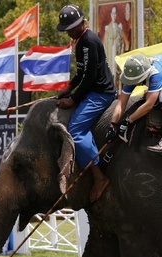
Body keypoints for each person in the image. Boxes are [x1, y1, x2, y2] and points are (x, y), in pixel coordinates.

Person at [56, 4, 117, 202]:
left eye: (73, 27)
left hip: (100, 93)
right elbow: (82, 72)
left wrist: (72, 99)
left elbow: (90, 77)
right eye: (68, 29)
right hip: (91, 90)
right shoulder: (80, 41)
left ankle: (99, 177)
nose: (70, 32)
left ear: (82, 23)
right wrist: (69, 87)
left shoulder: (89, 41)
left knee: (75, 130)